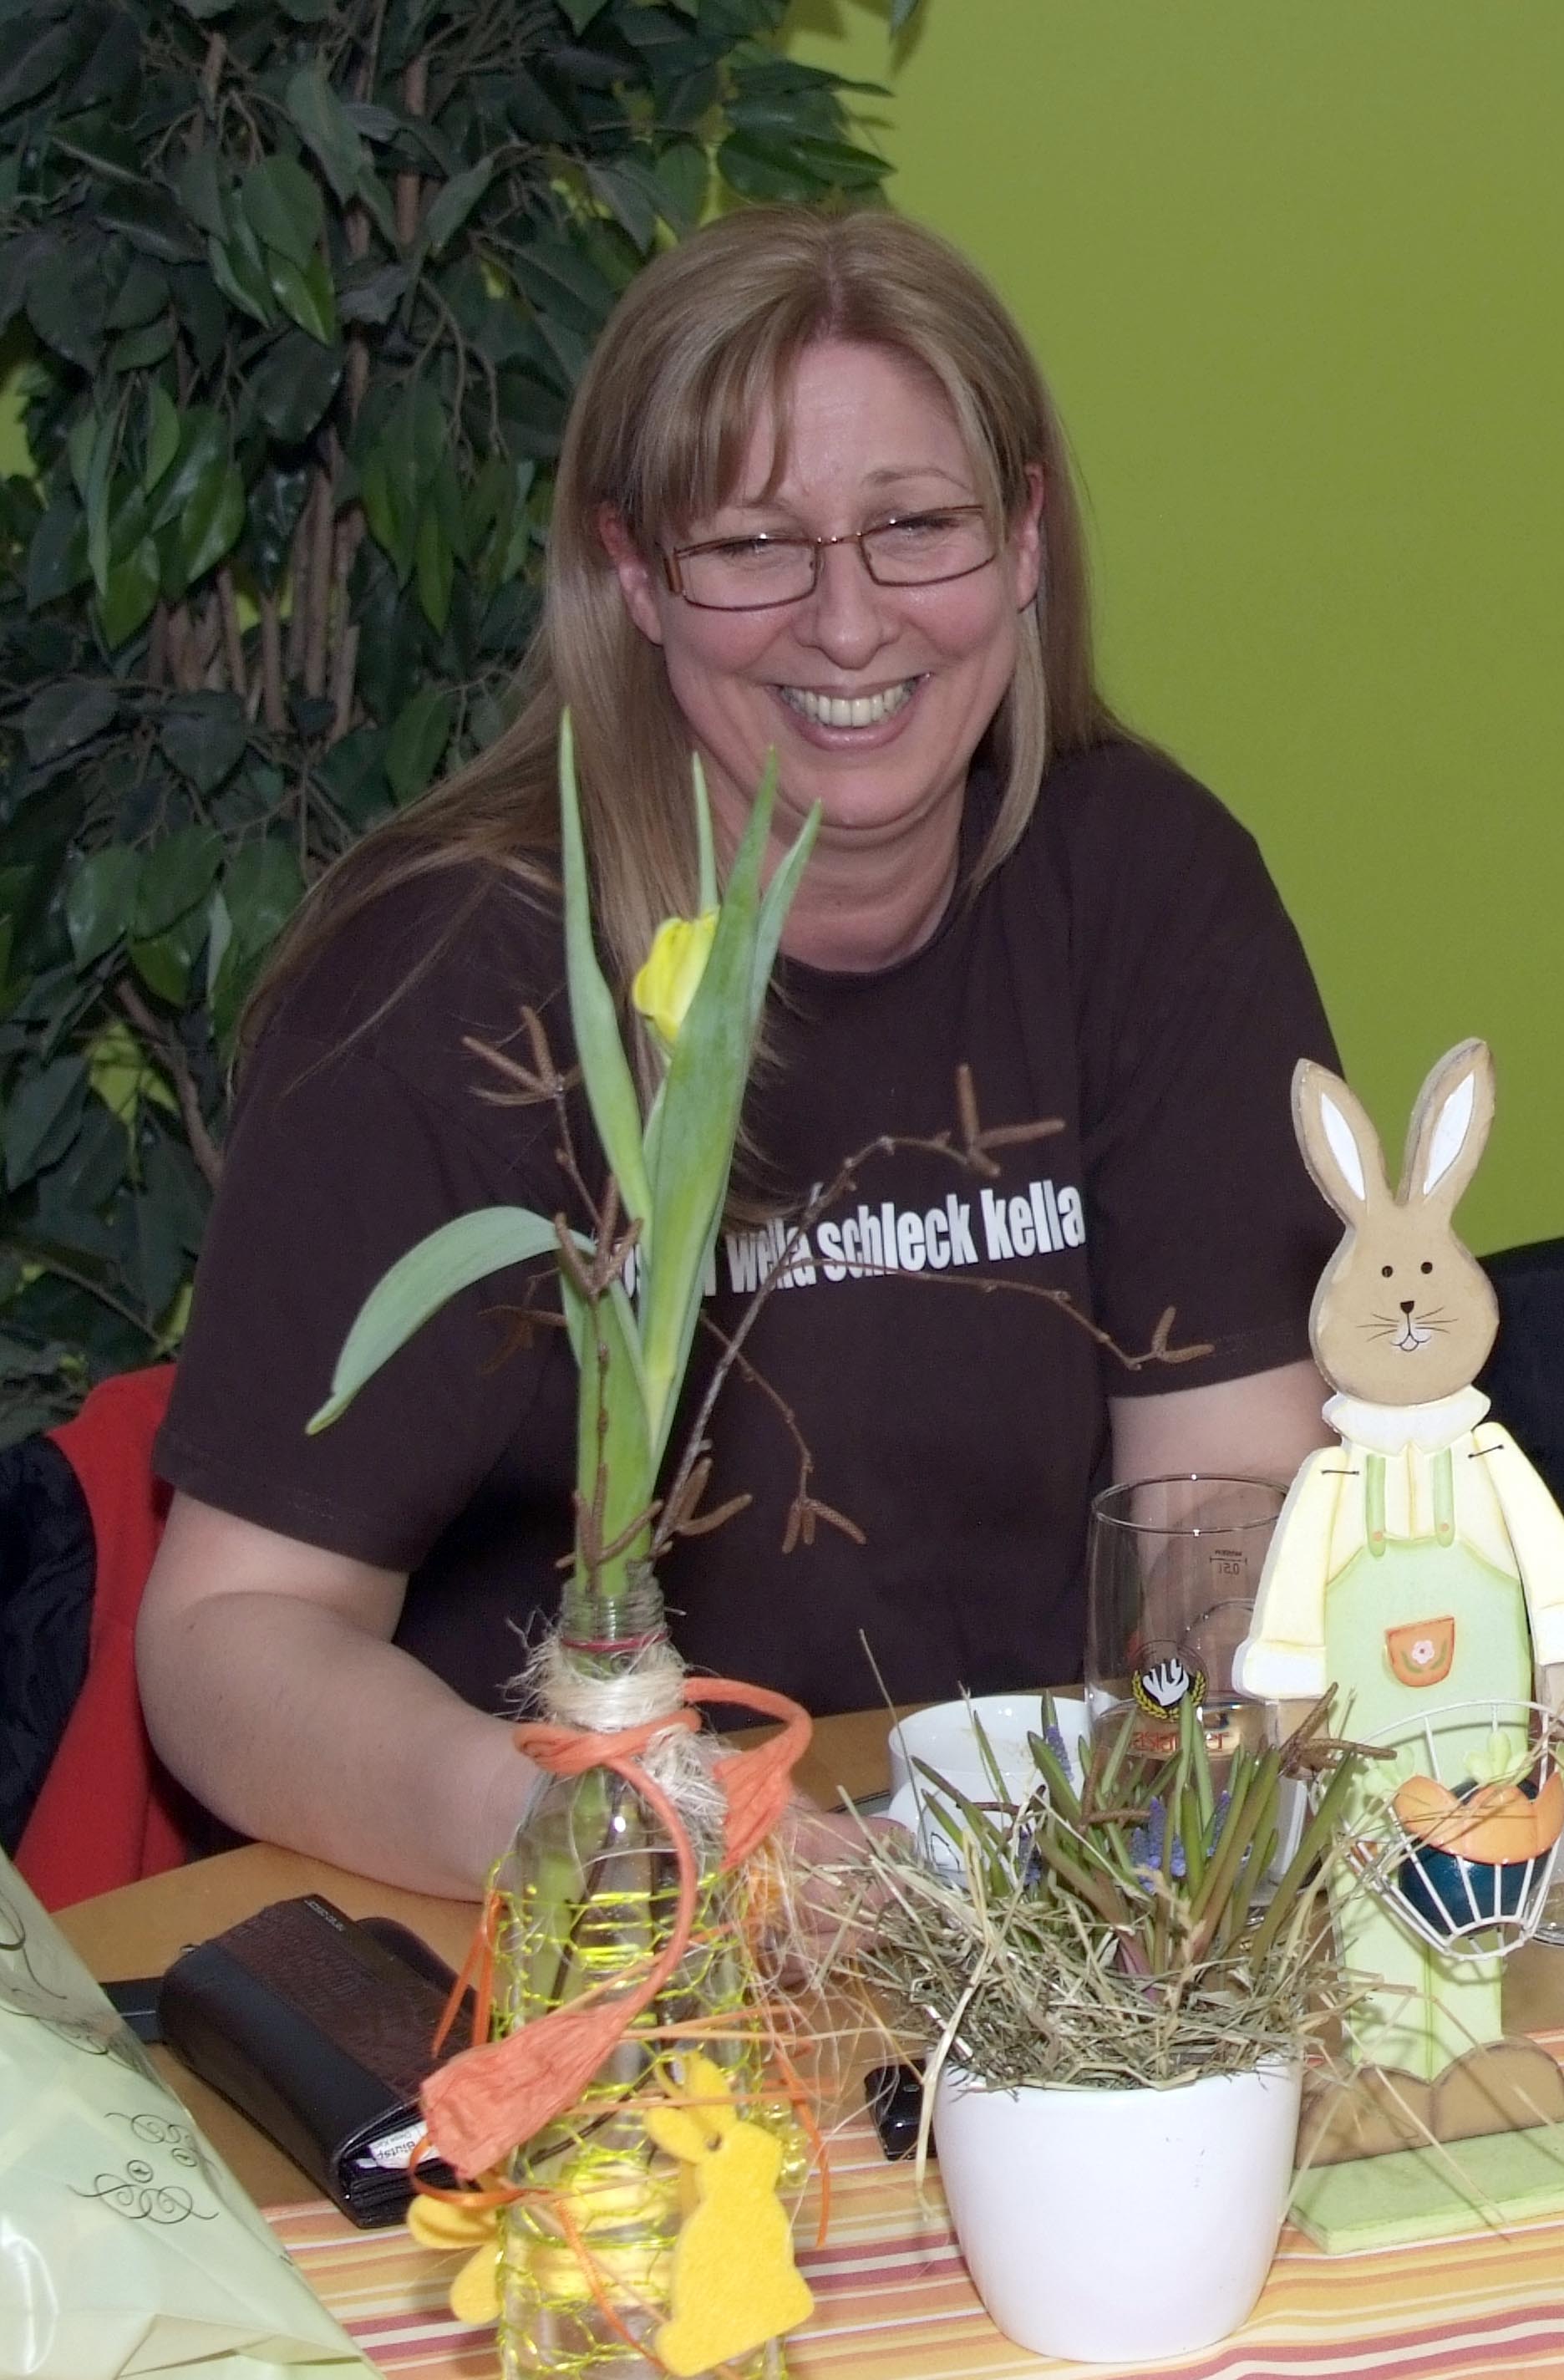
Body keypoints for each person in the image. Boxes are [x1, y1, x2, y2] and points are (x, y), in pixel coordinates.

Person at [140, 209, 1341, 1896]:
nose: (846, 624)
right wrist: (597, 1837)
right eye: (754, 544)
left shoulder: (1148, 885)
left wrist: (1168, 1826)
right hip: (570, 1920)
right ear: (634, 575)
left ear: (1021, 540)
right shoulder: (440, 983)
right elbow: (231, 1633)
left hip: (1052, 1894)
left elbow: (1229, 1496)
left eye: (914, 527)